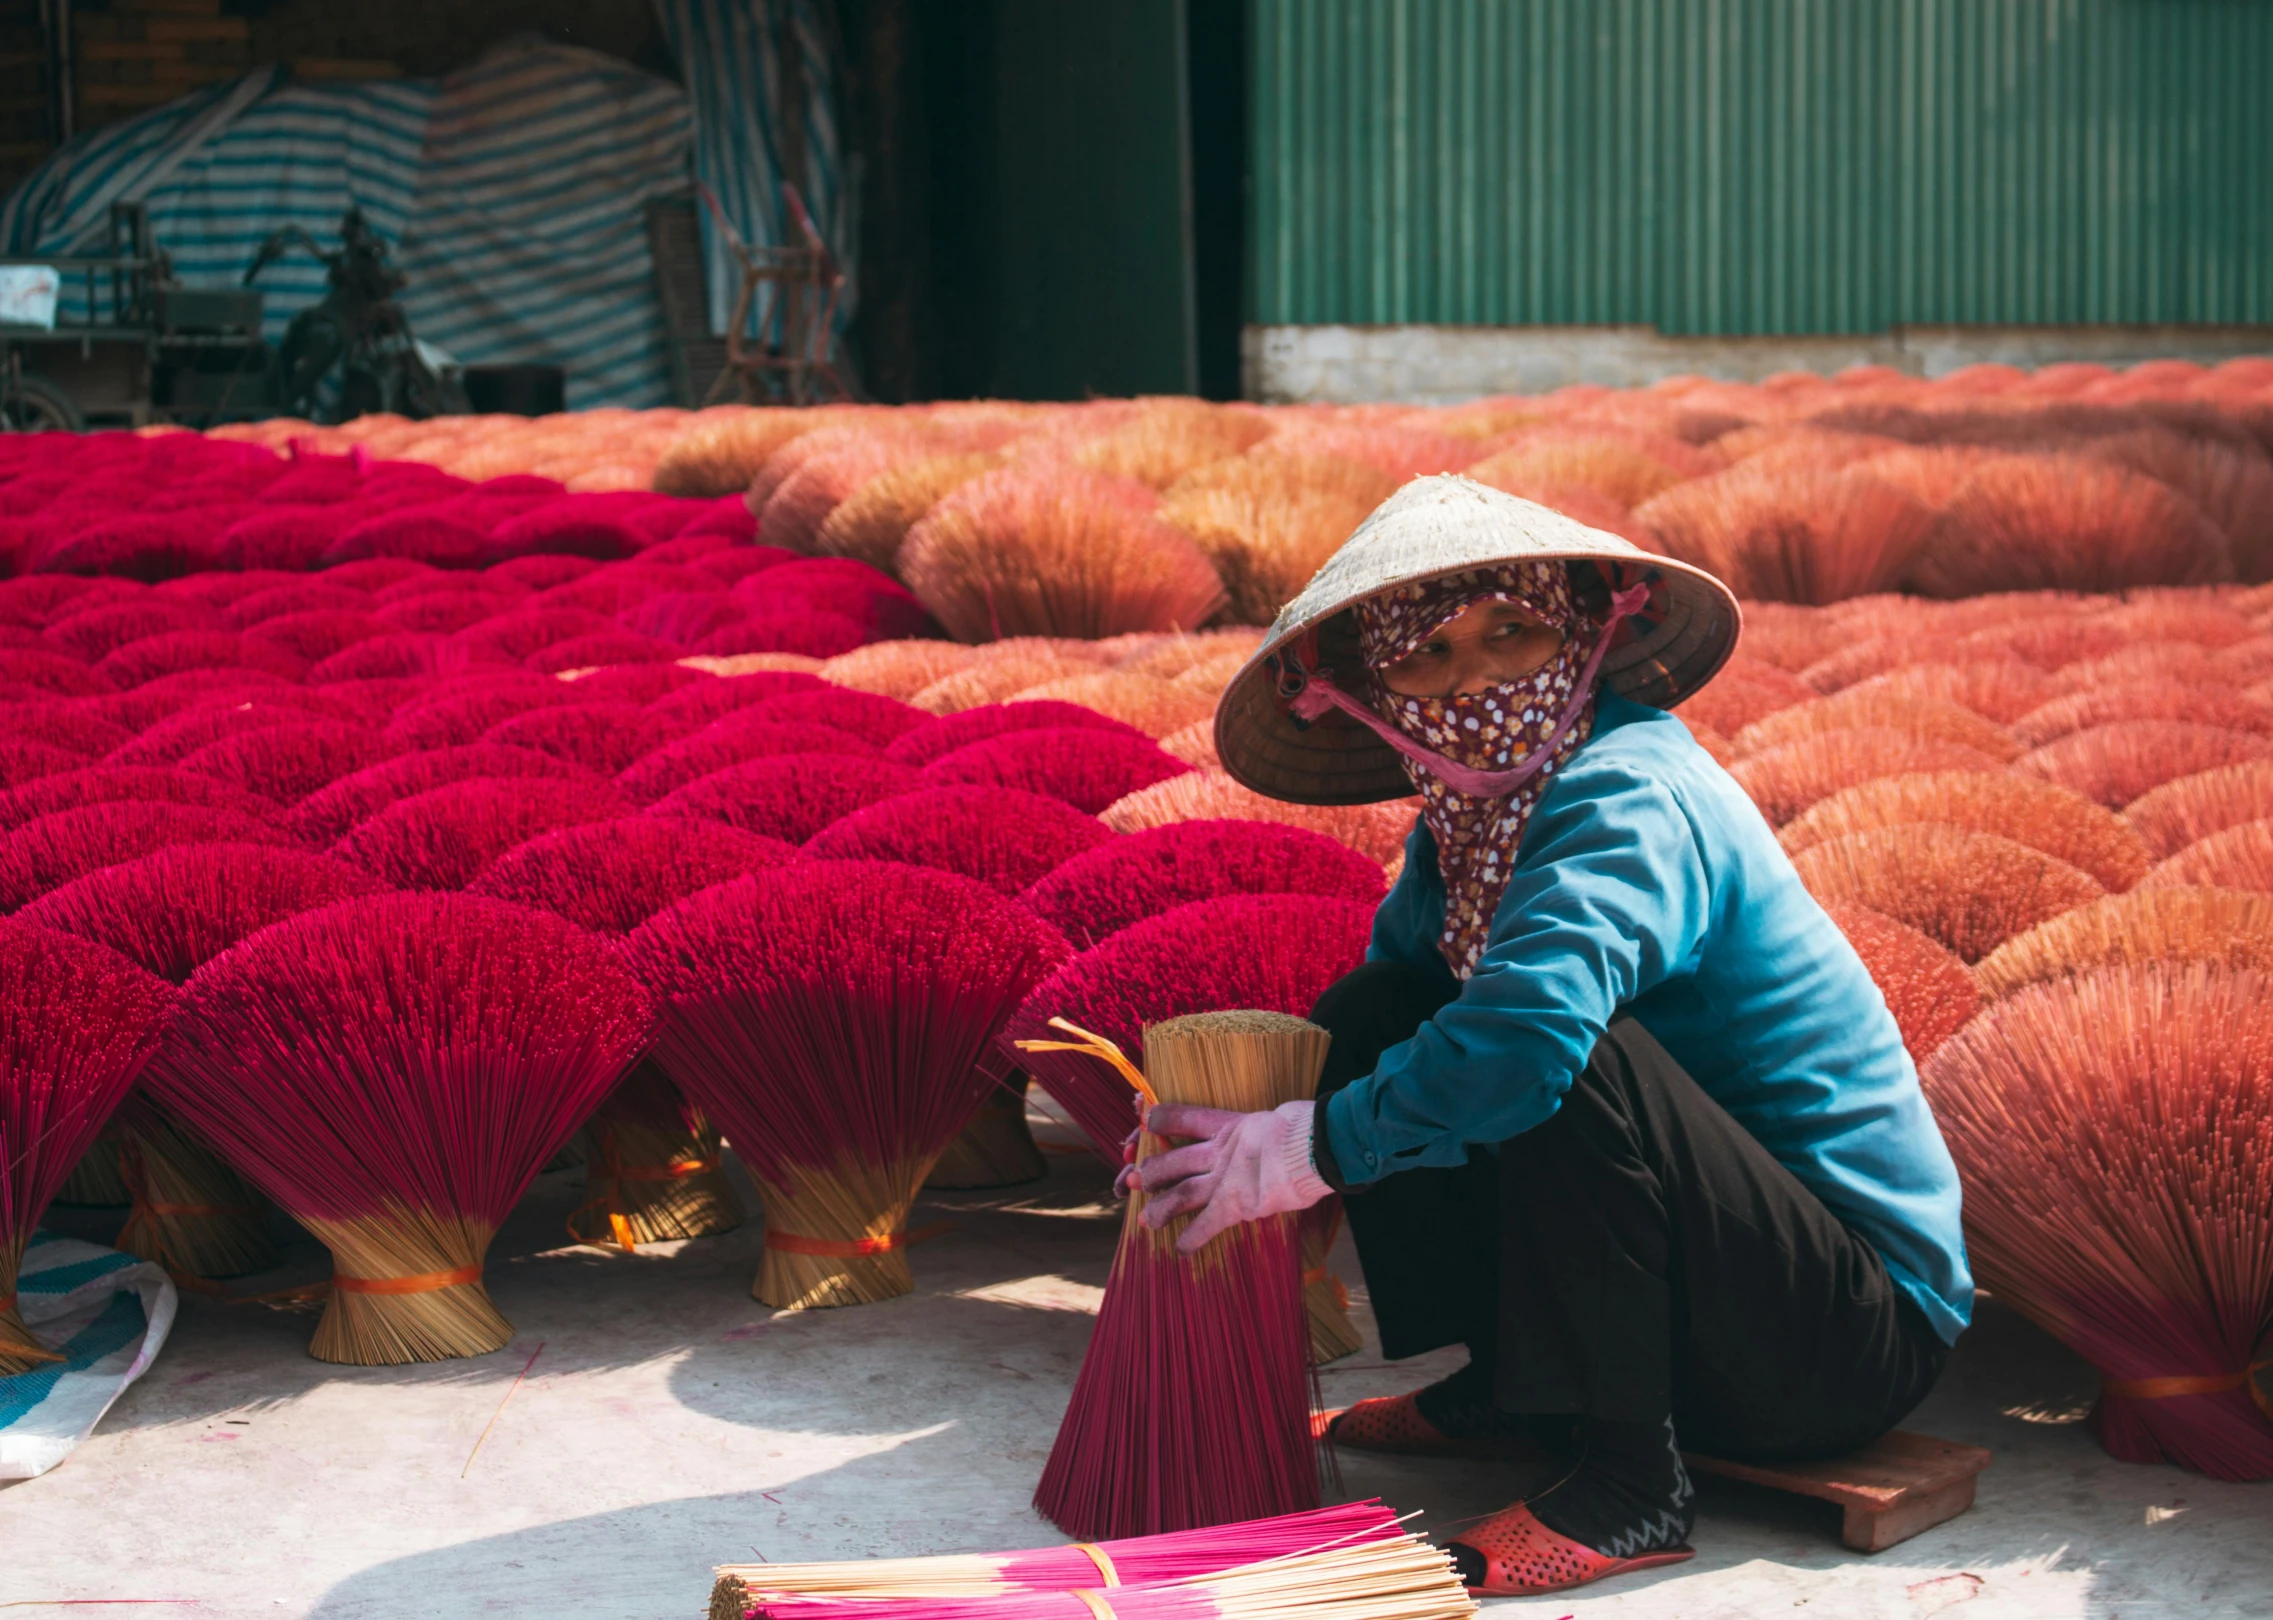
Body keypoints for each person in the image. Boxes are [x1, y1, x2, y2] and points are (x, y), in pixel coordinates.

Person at [1134, 475, 1971, 1597]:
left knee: (1553, 1049)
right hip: (1709, 1295)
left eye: (1512, 633)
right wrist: (1252, 1151)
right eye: (1425, 658)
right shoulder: (1468, 822)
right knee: (1374, 1016)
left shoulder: (1626, 791)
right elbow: (1404, 1013)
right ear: (1368, 696)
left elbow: (1525, 1043)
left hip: (1837, 1336)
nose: (1476, 680)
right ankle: (1504, 1388)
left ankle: (1630, 1487)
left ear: (1587, 628)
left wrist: (1307, 1152)